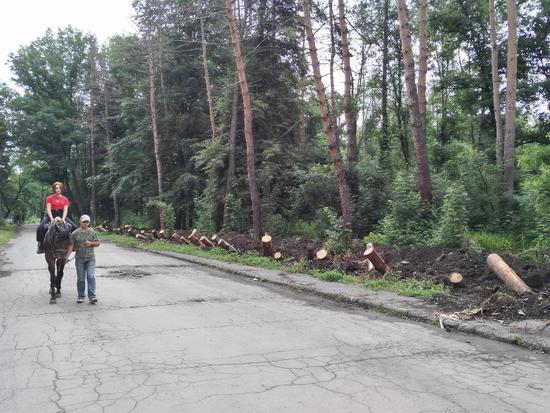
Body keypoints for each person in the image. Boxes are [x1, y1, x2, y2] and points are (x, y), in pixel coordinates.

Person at [65, 214, 101, 304]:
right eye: (84, 221)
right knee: (81, 279)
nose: (85, 223)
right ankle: (81, 296)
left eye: (87, 222)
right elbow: (71, 245)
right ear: (80, 222)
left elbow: (98, 243)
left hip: (91, 259)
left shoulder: (92, 232)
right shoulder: (75, 233)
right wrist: (66, 257)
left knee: (91, 277)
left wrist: (91, 243)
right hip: (79, 259)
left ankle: (92, 296)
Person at [36, 182, 77, 253]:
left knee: (74, 227)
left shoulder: (65, 199)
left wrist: (63, 219)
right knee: (40, 228)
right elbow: (48, 209)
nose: (58, 189)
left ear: (61, 189)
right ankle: (40, 245)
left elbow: (65, 210)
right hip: (51, 215)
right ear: (54, 189)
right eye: (56, 188)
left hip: (61, 215)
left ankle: (73, 245)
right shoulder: (49, 198)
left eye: (59, 188)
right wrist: (52, 219)